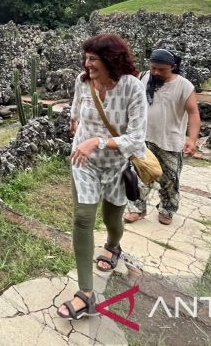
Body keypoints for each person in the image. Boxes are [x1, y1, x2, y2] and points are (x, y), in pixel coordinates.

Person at [57, 33, 148, 320]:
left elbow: (137, 138)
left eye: (93, 59)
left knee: (112, 219)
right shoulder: (83, 81)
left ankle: (112, 246)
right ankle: (86, 293)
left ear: (111, 59)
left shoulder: (132, 87)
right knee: (83, 218)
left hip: (116, 164)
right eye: (86, 58)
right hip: (83, 161)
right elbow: (76, 112)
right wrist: (79, 131)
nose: (87, 64)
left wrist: (97, 141)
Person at [124, 49, 200, 225]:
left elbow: (193, 113)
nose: (156, 72)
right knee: (140, 176)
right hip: (142, 138)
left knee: (169, 180)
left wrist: (192, 139)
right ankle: (136, 209)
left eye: (161, 70)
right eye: (153, 68)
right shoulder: (143, 78)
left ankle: (167, 209)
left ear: (173, 67)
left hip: (170, 141)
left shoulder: (184, 86)